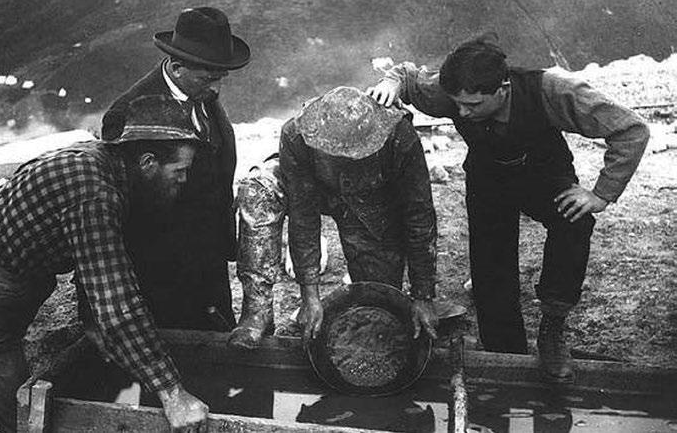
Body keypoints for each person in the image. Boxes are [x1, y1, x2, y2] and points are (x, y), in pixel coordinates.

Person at [367, 33, 649, 383]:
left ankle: (552, 327)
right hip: (489, 177)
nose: (461, 113)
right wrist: (391, 84)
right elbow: (408, 77)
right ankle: (505, 350)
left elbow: (631, 130)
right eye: (457, 104)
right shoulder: (452, 92)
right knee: (490, 263)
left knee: (575, 224)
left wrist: (601, 194)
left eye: (472, 105)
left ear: (502, 90)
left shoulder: (553, 90)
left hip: (544, 172)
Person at [0, 96, 211, 432]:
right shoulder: (93, 192)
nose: (183, 180)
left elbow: (93, 260)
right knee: (16, 416)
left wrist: (91, 322)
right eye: (180, 171)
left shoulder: (106, 165)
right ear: (148, 162)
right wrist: (172, 393)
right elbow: (117, 303)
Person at [228, 86, 439, 350]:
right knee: (258, 190)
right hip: (314, 186)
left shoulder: (400, 136)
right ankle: (256, 311)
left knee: (378, 306)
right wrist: (309, 295)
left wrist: (423, 295)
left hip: (370, 203)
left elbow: (419, 215)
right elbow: (304, 215)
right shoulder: (296, 134)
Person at [101, 7, 249, 331]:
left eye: (221, 78)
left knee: (219, 335)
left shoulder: (202, 91)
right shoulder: (126, 114)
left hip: (210, 258)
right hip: (164, 269)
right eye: (209, 78)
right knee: (177, 342)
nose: (217, 89)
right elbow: (125, 206)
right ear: (178, 67)